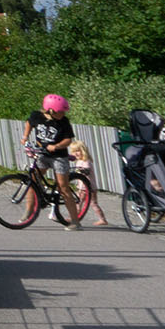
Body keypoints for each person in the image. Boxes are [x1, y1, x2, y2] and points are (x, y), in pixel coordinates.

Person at [23, 93, 80, 229]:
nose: (63, 114)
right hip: (42, 154)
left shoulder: (63, 122)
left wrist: (56, 146)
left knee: (63, 187)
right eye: (61, 111)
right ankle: (28, 211)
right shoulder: (37, 116)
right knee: (33, 181)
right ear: (51, 110)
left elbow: (68, 140)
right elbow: (29, 123)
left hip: (59, 157)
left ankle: (75, 222)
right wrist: (25, 137)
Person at [67, 137, 111, 226]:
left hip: (90, 187)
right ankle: (74, 218)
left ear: (83, 151)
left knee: (93, 204)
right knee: (78, 203)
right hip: (81, 187)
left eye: (78, 151)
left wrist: (81, 170)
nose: (76, 153)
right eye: (74, 151)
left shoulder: (86, 161)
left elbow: (86, 170)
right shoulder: (79, 161)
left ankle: (102, 219)